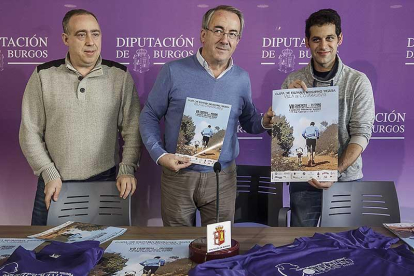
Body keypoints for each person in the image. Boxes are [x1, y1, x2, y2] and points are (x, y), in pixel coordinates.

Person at [140, 5, 273, 227]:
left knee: (218, 248)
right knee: (178, 248)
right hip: (179, 175)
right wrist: (160, 155)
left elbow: (249, 120)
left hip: (222, 178)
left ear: (238, 40)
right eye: (218, 30)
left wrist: (263, 122)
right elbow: (149, 116)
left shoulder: (242, 78)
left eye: (232, 33)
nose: (225, 39)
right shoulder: (173, 71)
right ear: (203, 34)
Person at [19, 9, 141, 225]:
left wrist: (127, 168)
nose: (90, 42)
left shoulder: (119, 76)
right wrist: (48, 173)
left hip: (106, 182)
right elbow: (29, 132)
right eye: (81, 34)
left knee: (105, 252)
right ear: (66, 39)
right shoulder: (43, 75)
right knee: (44, 251)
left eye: (95, 34)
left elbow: (133, 129)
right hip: (55, 183)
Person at [282, 9, 375, 226]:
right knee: (301, 244)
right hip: (304, 180)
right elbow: (282, 135)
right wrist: (284, 108)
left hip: (345, 179)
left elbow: (361, 134)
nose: (323, 46)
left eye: (329, 38)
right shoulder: (293, 80)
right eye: (316, 39)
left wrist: (337, 170)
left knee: (344, 247)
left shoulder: (358, 82)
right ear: (307, 42)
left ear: (339, 39)